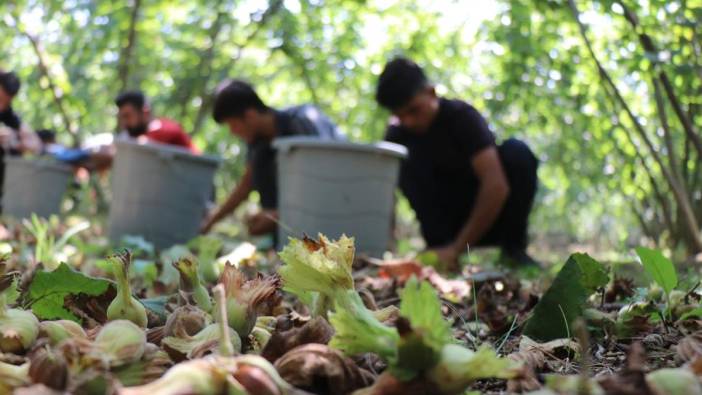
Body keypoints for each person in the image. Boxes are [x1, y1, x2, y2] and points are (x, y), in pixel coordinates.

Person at [376, 57, 540, 269]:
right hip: (443, 228)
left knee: (517, 152)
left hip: (488, 218)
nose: (408, 121)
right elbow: (384, 195)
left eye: (414, 110)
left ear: (431, 93)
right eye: (399, 115)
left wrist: (457, 248)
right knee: (397, 158)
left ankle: (513, 250)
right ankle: (440, 252)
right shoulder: (397, 136)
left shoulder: (462, 118)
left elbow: (496, 184)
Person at [201, 79, 343, 236]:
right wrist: (210, 222)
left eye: (233, 125)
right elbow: (246, 185)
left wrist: (278, 215)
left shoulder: (303, 122)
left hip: (328, 227)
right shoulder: (257, 142)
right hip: (291, 235)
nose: (233, 132)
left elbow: (329, 180)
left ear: (250, 115)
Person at [83, 91, 198, 171]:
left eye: (127, 116)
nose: (124, 123)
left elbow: (130, 148)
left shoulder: (164, 128)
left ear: (145, 112)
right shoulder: (136, 134)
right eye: (121, 117)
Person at [0, 70, 42, 211]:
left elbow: (35, 144)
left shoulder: (8, 114)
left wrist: (21, 143)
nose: (1, 106)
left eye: (5, 102)